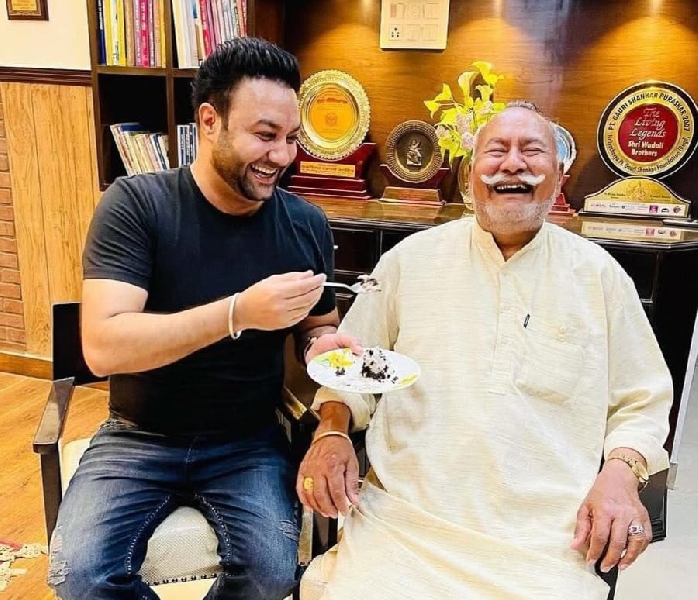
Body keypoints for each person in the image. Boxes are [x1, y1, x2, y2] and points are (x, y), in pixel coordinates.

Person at [297, 101, 672, 599]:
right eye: (496, 151)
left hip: (546, 539)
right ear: (471, 176)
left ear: (559, 177)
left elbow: (642, 400)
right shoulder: (409, 261)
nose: (512, 163)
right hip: (405, 524)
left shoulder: (599, 275)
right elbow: (352, 370)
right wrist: (331, 430)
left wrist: (622, 475)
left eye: (531, 151)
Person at [47, 37, 356, 600]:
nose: (282, 156)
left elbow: (318, 325)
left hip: (248, 441)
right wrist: (238, 312)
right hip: (138, 436)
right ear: (210, 122)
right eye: (265, 135)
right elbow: (104, 346)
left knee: (270, 574)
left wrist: (324, 347)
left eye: (291, 138)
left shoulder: (305, 224)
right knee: (80, 576)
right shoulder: (137, 205)